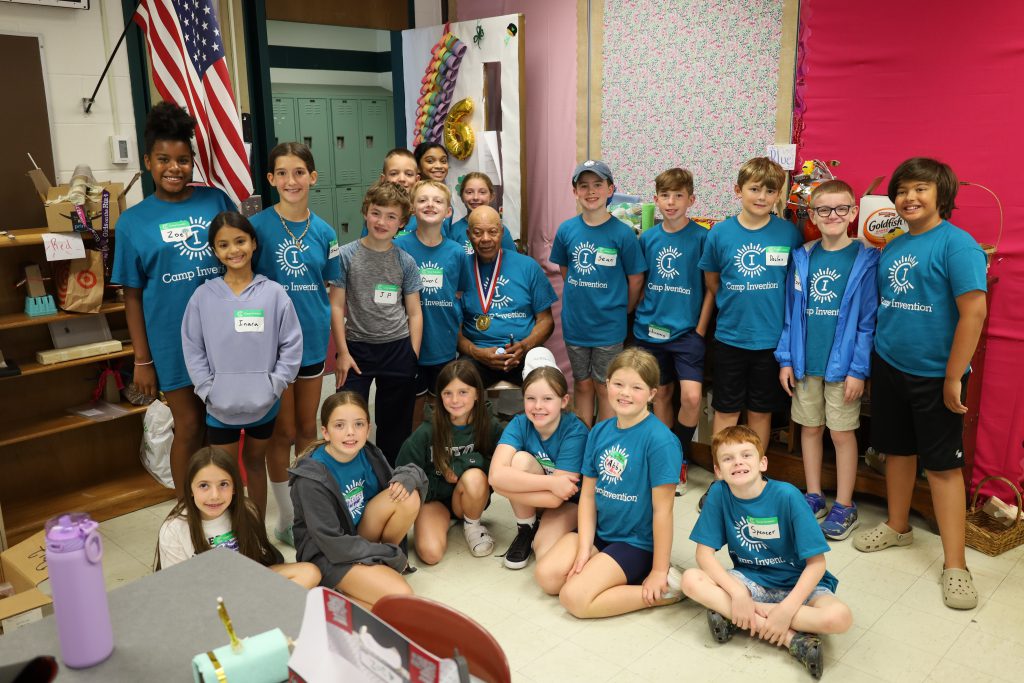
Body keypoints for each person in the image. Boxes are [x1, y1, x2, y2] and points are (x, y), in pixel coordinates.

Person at [851, 158, 987, 610]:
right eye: (903, 190)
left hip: (935, 375)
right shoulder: (891, 247)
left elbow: (974, 313)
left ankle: (955, 566)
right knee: (896, 450)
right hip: (890, 365)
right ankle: (897, 526)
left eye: (921, 189)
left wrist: (953, 376)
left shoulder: (958, 246)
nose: (910, 197)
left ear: (941, 195)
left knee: (944, 468)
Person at [112, 101, 235, 494]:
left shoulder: (215, 201)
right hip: (172, 341)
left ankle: (224, 508)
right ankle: (187, 514)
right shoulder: (132, 222)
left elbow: (241, 258)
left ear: (193, 162)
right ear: (148, 161)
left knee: (222, 428)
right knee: (190, 425)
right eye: (163, 159)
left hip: (225, 336)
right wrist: (142, 360)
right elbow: (132, 297)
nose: (174, 168)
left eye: (183, 160)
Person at [681, 426, 852, 680]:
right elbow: (703, 555)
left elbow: (816, 565)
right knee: (690, 580)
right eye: (728, 458)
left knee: (839, 618)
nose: (738, 462)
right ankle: (791, 639)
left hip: (798, 584)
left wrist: (786, 609)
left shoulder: (788, 496)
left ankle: (736, 615)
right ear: (718, 471)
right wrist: (739, 592)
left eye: (746, 455)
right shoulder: (719, 493)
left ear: (763, 463)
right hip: (751, 580)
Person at [534, 348, 684, 618]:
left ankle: (666, 590)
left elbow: (664, 511)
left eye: (636, 387)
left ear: (651, 393)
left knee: (574, 599)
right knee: (547, 577)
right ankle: (602, 570)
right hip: (602, 534)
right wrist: (583, 549)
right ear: (607, 385)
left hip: (637, 543)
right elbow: (589, 497)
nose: (625, 393)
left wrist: (658, 570)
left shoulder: (661, 441)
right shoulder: (601, 431)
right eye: (618, 384)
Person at [775, 179, 878, 540]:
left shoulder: (866, 259)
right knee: (810, 428)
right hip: (806, 363)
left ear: (852, 212)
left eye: (840, 209)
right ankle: (814, 494)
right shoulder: (802, 257)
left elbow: (867, 324)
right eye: (823, 210)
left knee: (841, 432)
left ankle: (845, 503)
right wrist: (786, 359)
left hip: (843, 367)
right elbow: (791, 314)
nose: (832, 215)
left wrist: (858, 370)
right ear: (813, 217)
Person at [181, 211, 302, 519]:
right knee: (225, 475)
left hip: (264, 403)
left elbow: (290, 344)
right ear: (214, 251)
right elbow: (193, 348)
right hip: (220, 406)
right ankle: (230, 536)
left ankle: (255, 533)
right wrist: (208, 390)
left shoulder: (273, 294)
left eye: (240, 241)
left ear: (253, 243)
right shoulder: (202, 297)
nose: (233, 250)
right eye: (224, 245)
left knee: (255, 465)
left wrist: (275, 385)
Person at [251, 142, 341, 546]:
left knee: (307, 428)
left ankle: (305, 510)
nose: (292, 180)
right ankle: (285, 516)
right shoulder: (258, 229)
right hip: (272, 347)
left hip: (312, 340)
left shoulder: (324, 231)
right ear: (271, 180)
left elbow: (333, 291)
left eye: (299, 172)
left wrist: (340, 346)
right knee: (281, 432)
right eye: (282, 173)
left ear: (313, 177)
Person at [698, 157, 803, 450]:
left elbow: (792, 285)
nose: (762, 197)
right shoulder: (719, 233)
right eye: (755, 189)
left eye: (770, 191)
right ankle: (721, 477)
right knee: (726, 410)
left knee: (760, 411)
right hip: (731, 338)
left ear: (778, 195)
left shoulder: (789, 234)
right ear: (738, 190)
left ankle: (754, 474)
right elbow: (712, 281)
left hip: (770, 342)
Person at [290, 392, 427, 608]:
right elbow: (332, 543)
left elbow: (405, 478)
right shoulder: (311, 478)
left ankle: (375, 570)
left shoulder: (368, 453)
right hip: (328, 555)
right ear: (325, 432)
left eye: (358, 424)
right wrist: (388, 552)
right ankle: (326, 598)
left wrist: (406, 477)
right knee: (402, 598)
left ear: (368, 429)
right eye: (340, 425)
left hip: (358, 537)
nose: (350, 433)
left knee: (406, 496)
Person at [330, 181, 423, 465]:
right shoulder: (346, 256)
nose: (382, 221)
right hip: (357, 350)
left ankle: (390, 478)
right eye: (376, 213)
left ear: (402, 223)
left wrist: (412, 354)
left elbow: (414, 312)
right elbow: (335, 305)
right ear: (365, 212)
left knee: (394, 426)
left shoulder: (405, 262)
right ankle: (351, 475)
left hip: (397, 349)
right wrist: (342, 353)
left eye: (391, 216)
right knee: (348, 417)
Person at [550, 160, 645, 426]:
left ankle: (602, 444)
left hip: (609, 327)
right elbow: (565, 270)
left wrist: (622, 309)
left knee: (605, 387)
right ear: (575, 191)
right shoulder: (567, 230)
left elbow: (635, 279)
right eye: (584, 186)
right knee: (581, 384)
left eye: (597, 185)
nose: (591, 192)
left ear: (610, 189)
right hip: (576, 324)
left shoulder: (623, 234)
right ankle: (583, 442)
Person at [632, 167, 714, 466]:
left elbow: (710, 289)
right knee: (661, 395)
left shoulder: (703, 238)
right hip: (648, 331)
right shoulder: (647, 238)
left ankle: (678, 454)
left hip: (687, 334)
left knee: (692, 398)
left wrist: (700, 331)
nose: (671, 202)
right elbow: (640, 284)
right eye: (665, 195)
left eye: (678, 195)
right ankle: (666, 460)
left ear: (690, 199)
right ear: (656, 199)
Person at [156, 447, 320, 589]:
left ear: (235, 487)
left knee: (310, 572)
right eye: (204, 485)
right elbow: (177, 588)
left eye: (223, 484)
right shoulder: (174, 529)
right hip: (205, 596)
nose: (214, 496)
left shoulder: (247, 510)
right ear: (190, 489)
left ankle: (261, 610)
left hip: (246, 584)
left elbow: (257, 566)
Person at [396, 360, 503, 564]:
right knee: (430, 554)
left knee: (473, 476)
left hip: (469, 496)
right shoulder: (427, 430)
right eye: (447, 393)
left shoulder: (489, 424)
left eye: (463, 392)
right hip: (435, 499)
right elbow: (403, 470)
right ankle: (446, 521)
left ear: (477, 394)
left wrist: (468, 462)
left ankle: (473, 525)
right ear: (439, 396)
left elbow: (502, 464)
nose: (455, 400)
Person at [489, 348, 589, 569]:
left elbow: (557, 499)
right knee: (520, 461)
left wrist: (506, 486)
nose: (538, 406)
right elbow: (494, 476)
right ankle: (526, 527)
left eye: (547, 399)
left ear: (563, 401)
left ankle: (582, 537)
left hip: (572, 503)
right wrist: (552, 482)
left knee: (543, 553)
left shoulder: (574, 431)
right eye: (531, 398)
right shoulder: (520, 423)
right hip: (547, 492)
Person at [457, 206, 557, 387]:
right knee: (457, 382)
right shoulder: (459, 269)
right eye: (478, 233)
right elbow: (454, 330)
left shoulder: (527, 266)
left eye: (493, 232)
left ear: (502, 232)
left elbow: (546, 321)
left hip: (524, 352)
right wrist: (476, 352)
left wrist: (525, 346)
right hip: (477, 356)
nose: (485, 239)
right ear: (468, 234)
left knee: (548, 381)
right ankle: (476, 417)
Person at [395, 180, 465, 429]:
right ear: (412, 208)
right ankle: (413, 462)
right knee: (413, 408)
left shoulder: (457, 252)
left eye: (438, 201)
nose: (430, 205)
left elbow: (458, 292)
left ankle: (439, 455)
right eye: (423, 200)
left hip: (443, 343)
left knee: (441, 408)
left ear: (448, 211)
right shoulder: (399, 246)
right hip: (409, 344)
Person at [447, 172, 517, 254]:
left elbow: (512, 261)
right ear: (462, 197)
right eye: (469, 192)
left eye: (482, 192)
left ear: (491, 196)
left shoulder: (499, 230)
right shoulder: (454, 231)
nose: (476, 197)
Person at [360, 149, 420, 238]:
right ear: (383, 179)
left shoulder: (423, 214)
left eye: (409, 174)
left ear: (417, 180)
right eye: (394, 174)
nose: (402, 179)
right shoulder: (376, 214)